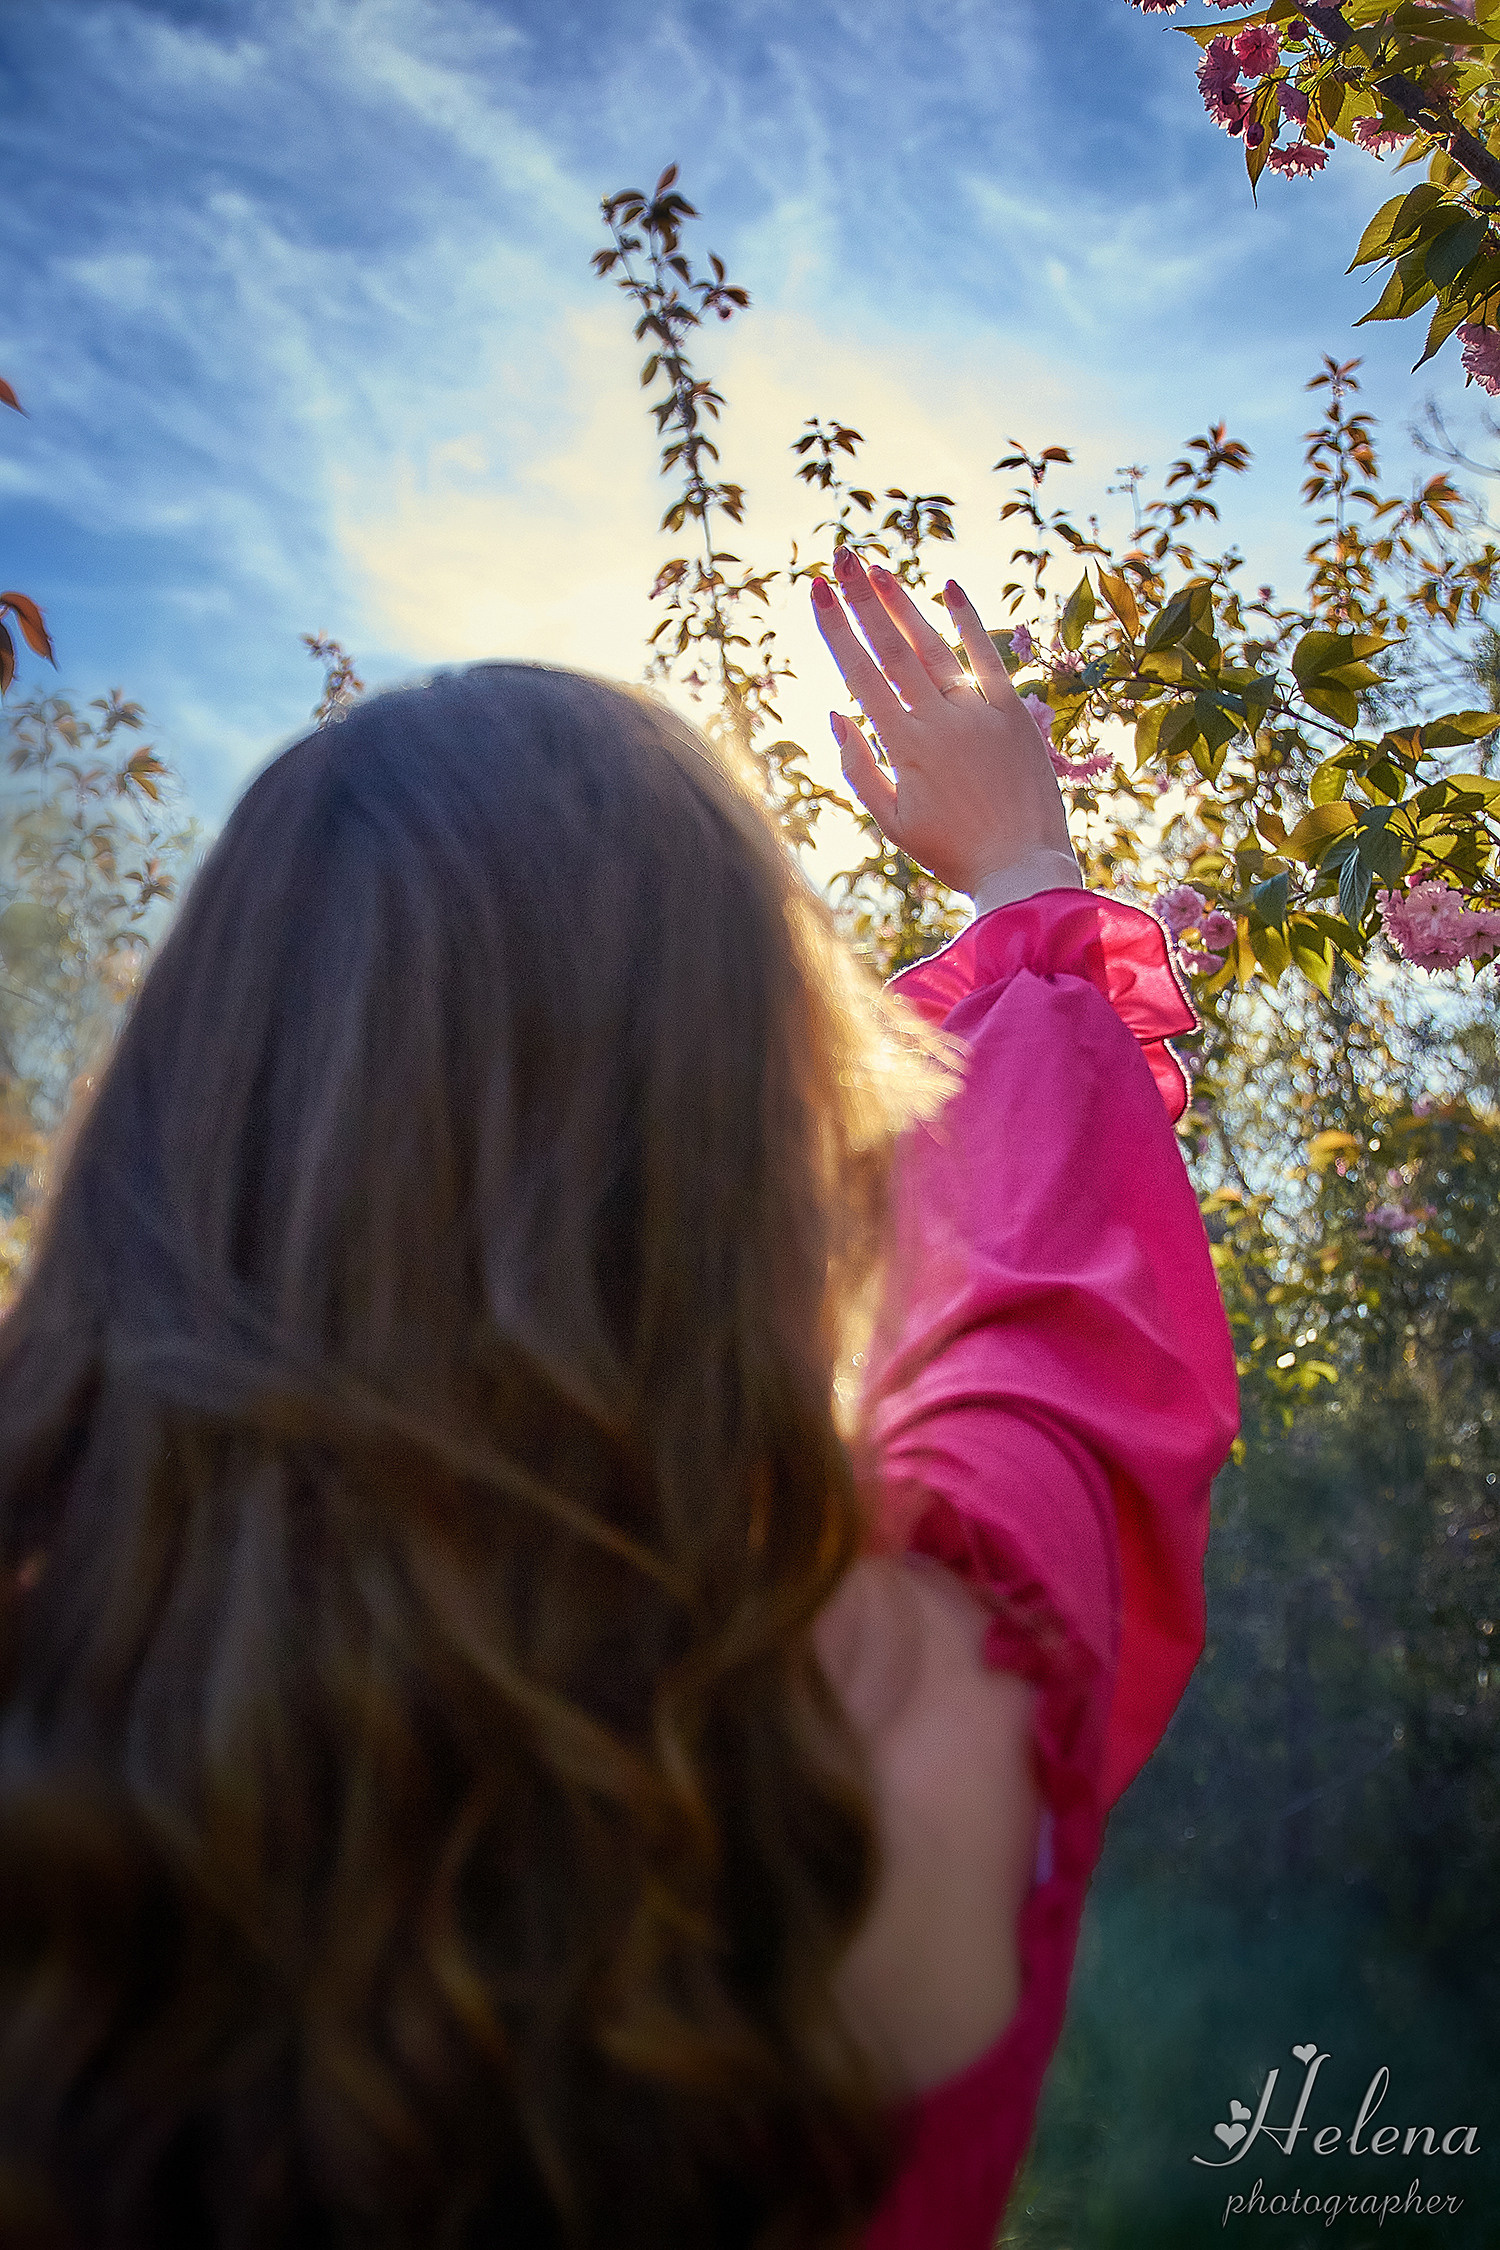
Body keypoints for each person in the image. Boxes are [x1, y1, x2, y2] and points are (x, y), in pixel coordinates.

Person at [0, 545, 1237, 2250]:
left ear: (178, 1133)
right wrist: (1029, 874)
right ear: (763, 1167)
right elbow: (1049, 1328)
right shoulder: (898, 1722)